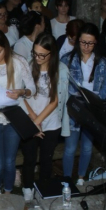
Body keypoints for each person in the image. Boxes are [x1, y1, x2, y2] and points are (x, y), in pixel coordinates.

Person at [0, 30, 36, 194]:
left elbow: (32, 88)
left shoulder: (19, 62)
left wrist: (21, 92)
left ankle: (9, 192)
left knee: (10, 161)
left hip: (13, 118)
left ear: (6, 47)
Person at [20, 33, 70, 201]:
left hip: (50, 122)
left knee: (46, 159)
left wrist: (38, 121)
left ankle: (43, 189)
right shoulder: (28, 65)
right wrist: (33, 120)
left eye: (42, 55)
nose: (37, 57)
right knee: (29, 158)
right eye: (35, 53)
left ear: (51, 54)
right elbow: (22, 95)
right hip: (31, 120)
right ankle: (27, 188)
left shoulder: (59, 70)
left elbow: (55, 101)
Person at [61, 23, 106, 186]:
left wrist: (96, 98)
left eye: (90, 43)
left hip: (92, 109)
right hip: (73, 110)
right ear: (77, 41)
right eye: (83, 42)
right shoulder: (67, 60)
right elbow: (61, 87)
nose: (86, 47)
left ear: (96, 43)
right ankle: (67, 179)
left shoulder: (102, 62)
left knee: (88, 147)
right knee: (70, 147)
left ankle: (81, 177)